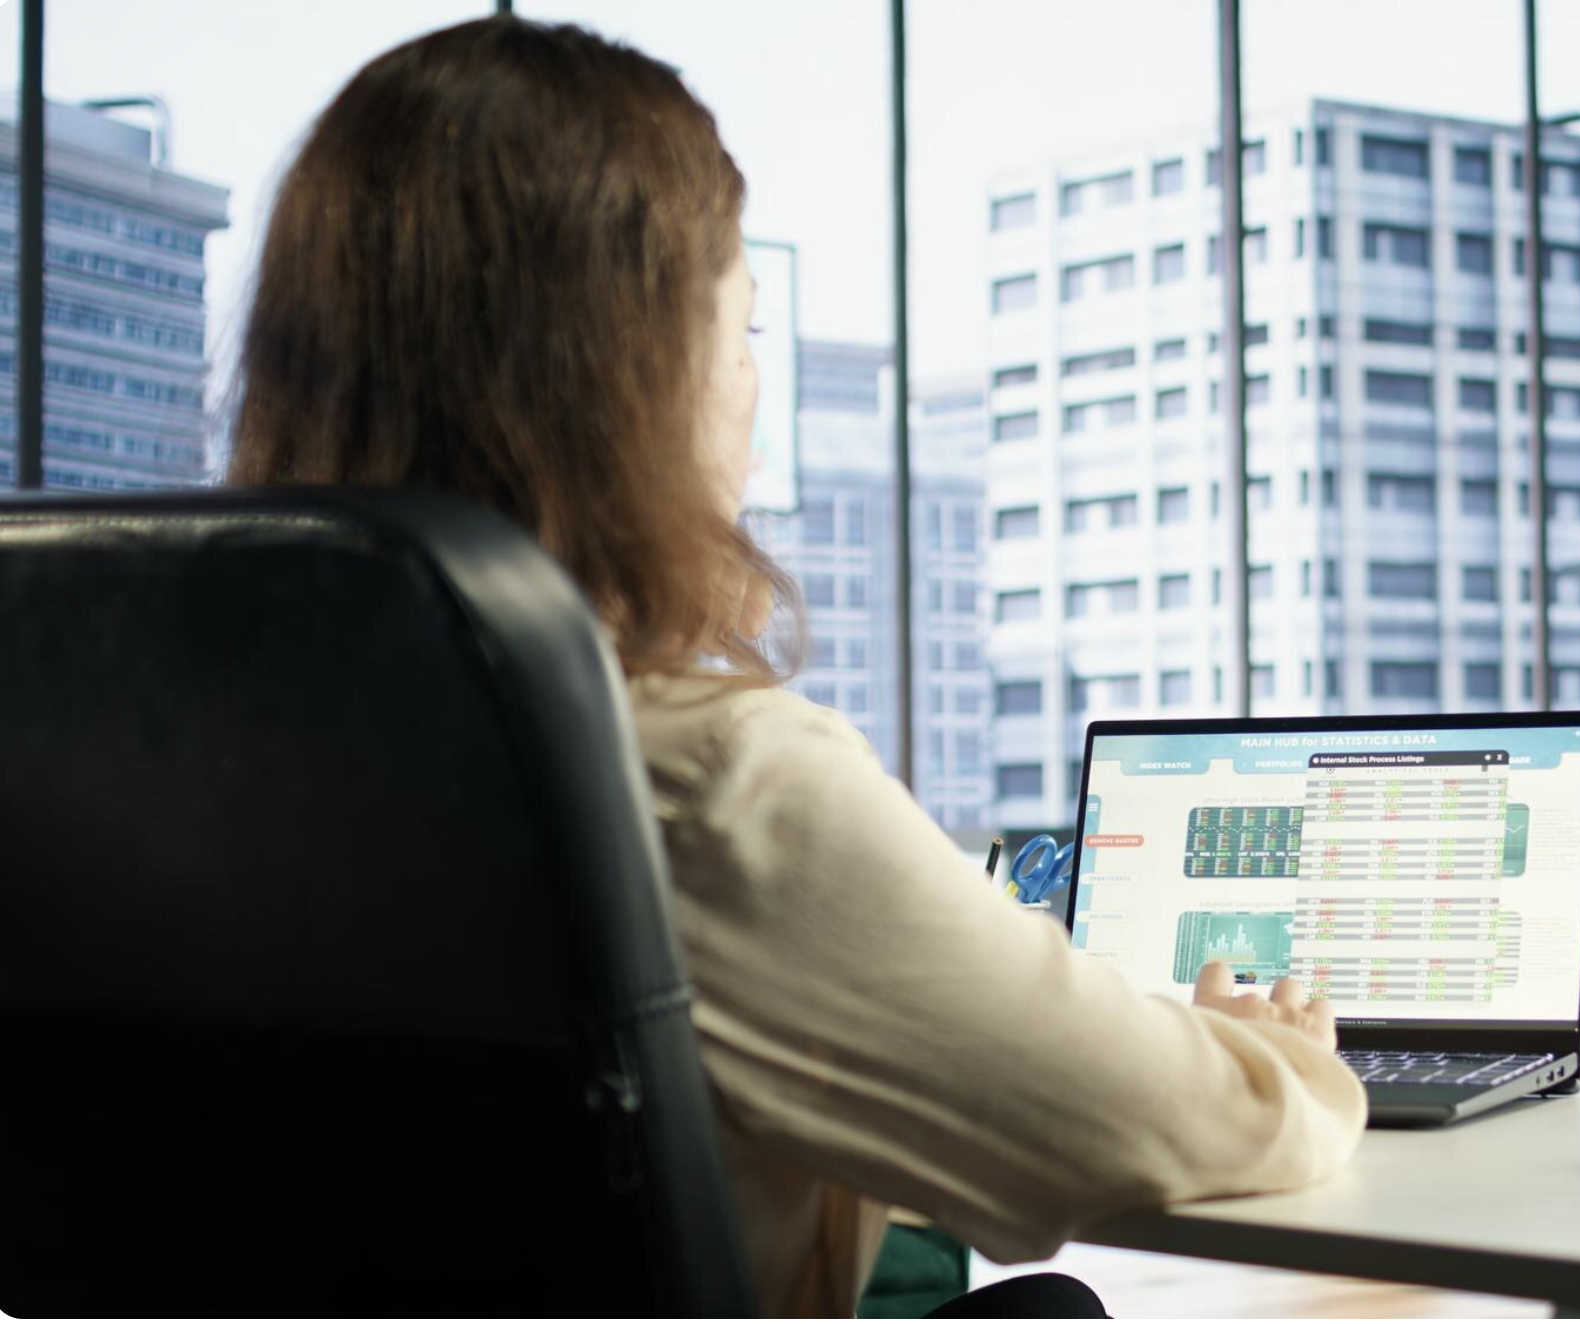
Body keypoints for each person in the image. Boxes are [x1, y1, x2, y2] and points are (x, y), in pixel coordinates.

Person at [226, 17, 1365, 1318]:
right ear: (635, 374)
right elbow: (1166, 1123)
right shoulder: (709, 779)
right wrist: (1276, 1060)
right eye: (744, 326)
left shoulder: (211, 760)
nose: (753, 387)